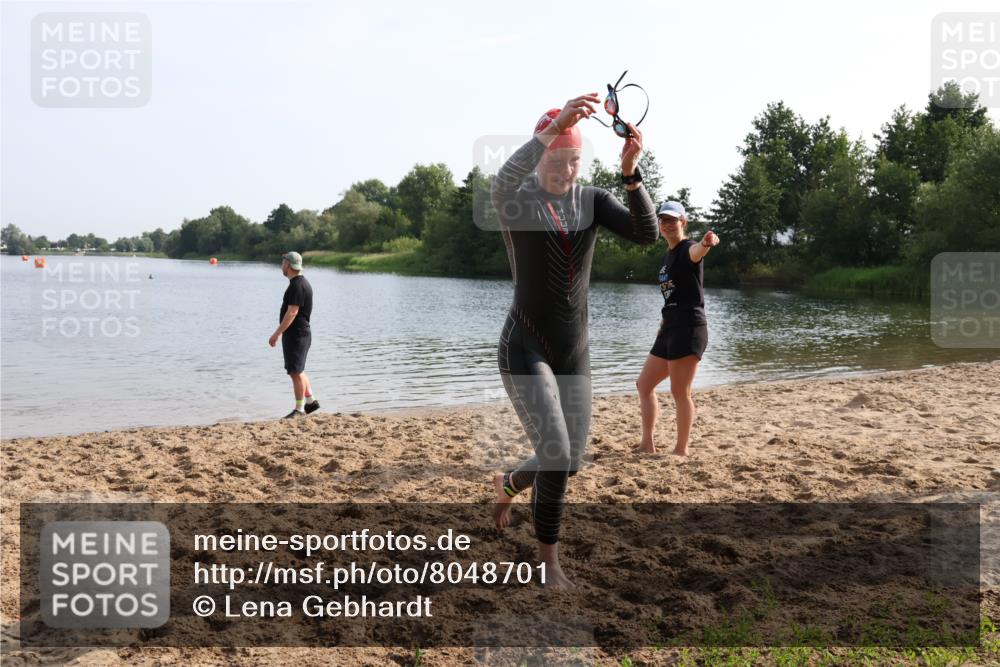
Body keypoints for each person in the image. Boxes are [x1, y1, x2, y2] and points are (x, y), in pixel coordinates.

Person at [490, 95, 659, 588]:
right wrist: (554, 127)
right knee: (557, 451)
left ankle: (509, 483)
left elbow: (647, 233)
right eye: (557, 159)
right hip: (524, 345)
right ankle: (549, 565)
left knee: (569, 461)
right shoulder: (519, 202)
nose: (566, 169)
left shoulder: (593, 201)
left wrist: (631, 174)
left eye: (574, 160)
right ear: (540, 156)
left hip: (574, 350)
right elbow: (501, 184)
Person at [634, 202, 719, 455]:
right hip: (669, 328)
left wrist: (706, 244)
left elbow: (697, 252)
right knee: (644, 384)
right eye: (663, 221)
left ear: (683, 222)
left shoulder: (686, 249)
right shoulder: (667, 256)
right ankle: (647, 443)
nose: (668, 225)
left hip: (689, 328)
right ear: (659, 225)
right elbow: (672, 297)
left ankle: (681, 450)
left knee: (680, 391)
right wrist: (662, 324)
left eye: (673, 220)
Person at [268, 251, 319, 419]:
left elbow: (292, 312)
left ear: (288, 265)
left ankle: (299, 409)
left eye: (282, 262)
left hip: (297, 334)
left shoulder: (297, 285)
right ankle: (311, 401)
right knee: (298, 370)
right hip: (299, 334)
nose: (281, 265)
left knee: (295, 372)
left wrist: (277, 333)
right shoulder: (300, 283)